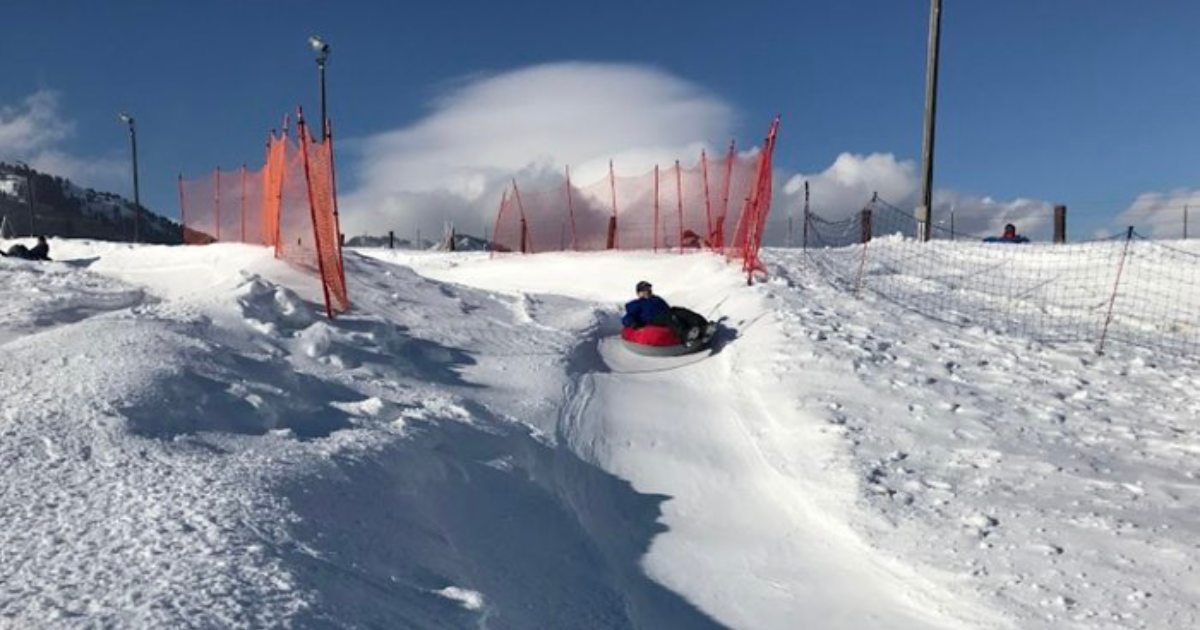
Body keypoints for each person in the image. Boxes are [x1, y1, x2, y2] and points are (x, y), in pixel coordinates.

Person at [622, 281, 708, 347]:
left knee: (681, 311)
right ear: (639, 293)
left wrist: (675, 313)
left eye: (649, 289)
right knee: (668, 317)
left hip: (666, 313)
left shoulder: (657, 299)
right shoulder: (636, 304)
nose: (648, 291)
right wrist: (632, 323)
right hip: (653, 319)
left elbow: (667, 308)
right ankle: (686, 336)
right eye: (644, 290)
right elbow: (627, 317)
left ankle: (703, 327)